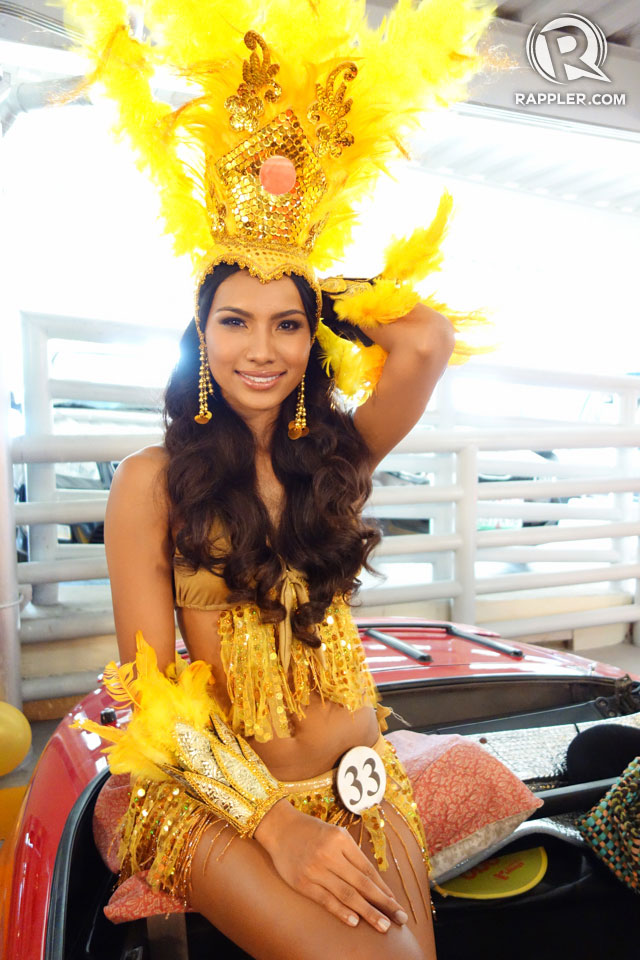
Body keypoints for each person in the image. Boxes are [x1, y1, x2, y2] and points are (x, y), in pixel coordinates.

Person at [61, 0, 504, 956]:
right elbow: (155, 700)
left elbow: (424, 339)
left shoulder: (336, 455)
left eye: (286, 325)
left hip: (360, 786)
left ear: (313, 340)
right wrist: (275, 826)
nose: (260, 349)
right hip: (226, 807)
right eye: (234, 320)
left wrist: (304, 276)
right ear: (200, 335)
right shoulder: (152, 482)